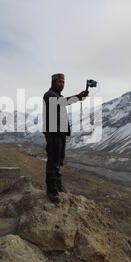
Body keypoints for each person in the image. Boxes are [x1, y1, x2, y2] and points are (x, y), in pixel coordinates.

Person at [43, 73, 89, 203]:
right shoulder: (49, 95)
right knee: (53, 160)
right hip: (53, 132)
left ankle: (57, 185)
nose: (62, 84)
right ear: (53, 82)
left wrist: (78, 97)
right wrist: (78, 97)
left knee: (59, 159)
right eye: (59, 82)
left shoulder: (58, 96)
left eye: (63, 82)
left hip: (60, 132)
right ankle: (51, 191)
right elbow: (60, 103)